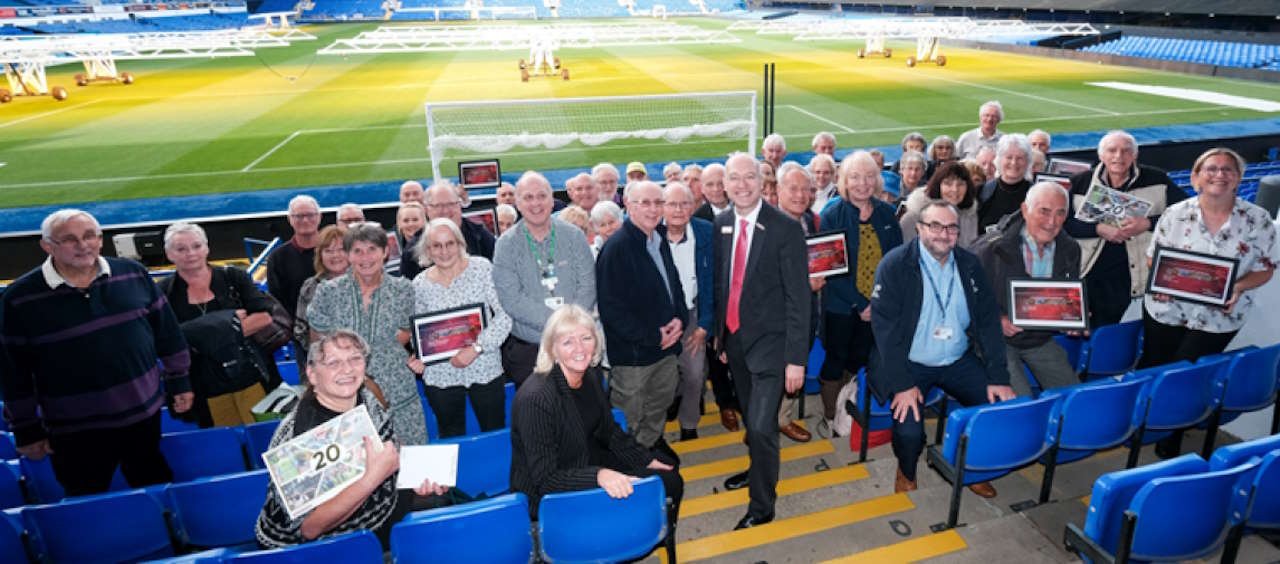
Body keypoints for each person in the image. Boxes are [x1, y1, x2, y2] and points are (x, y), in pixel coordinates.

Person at [1, 209, 193, 496]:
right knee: (87, 498)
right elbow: (12, 372)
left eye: (90, 236)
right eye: (70, 239)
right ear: (47, 246)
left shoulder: (133, 274)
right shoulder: (18, 299)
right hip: (73, 431)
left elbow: (167, 334)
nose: (83, 245)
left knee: (156, 486)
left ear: (101, 239)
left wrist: (179, 381)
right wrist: (27, 429)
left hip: (143, 418)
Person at [869, 202, 1015, 497]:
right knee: (910, 433)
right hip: (910, 362)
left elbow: (988, 321)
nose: (943, 234)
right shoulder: (895, 265)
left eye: (951, 227)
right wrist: (902, 384)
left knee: (995, 410)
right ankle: (906, 470)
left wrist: (999, 376)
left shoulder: (970, 263)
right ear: (920, 228)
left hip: (956, 358)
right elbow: (885, 333)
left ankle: (971, 467)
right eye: (935, 226)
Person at [1139, 148, 1278, 457]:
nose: (1219, 174)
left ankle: (1170, 438)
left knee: (1186, 376)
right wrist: (1161, 283)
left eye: (1228, 169)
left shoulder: (1258, 219)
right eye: (1211, 168)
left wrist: (1239, 287)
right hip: (1166, 309)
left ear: (1239, 178)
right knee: (1156, 368)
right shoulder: (1175, 213)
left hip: (1220, 316)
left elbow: (1266, 268)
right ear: (1195, 177)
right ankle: (1153, 424)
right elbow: (1154, 258)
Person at [255, 330, 450, 550]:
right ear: (311, 374)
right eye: (333, 362)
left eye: (355, 359)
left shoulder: (364, 395)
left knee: (445, 506)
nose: (347, 369)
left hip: (380, 505)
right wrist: (375, 476)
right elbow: (310, 529)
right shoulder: (296, 436)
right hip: (329, 545)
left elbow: (390, 444)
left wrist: (418, 475)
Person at [509, 305, 683, 530]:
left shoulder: (591, 374)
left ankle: (642, 532)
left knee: (668, 475)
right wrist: (599, 476)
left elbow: (609, 432)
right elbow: (545, 480)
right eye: (567, 342)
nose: (579, 348)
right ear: (552, 349)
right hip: (553, 491)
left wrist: (644, 458)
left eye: (586, 338)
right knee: (650, 486)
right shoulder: (536, 399)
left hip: (586, 458)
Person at [713, 153, 810, 530]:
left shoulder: (785, 229)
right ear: (725, 185)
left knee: (759, 426)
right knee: (755, 422)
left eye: (749, 177)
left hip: (773, 347)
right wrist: (721, 340)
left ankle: (762, 504)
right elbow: (723, 285)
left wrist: (796, 359)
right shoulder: (722, 224)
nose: (741, 184)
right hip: (736, 344)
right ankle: (757, 471)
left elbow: (799, 299)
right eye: (733, 178)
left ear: (762, 181)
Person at [307, 223, 428, 445]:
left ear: (385, 252)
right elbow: (317, 342)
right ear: (348, 255)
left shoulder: (403, 290)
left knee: (410, 457)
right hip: (346, 389)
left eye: (372, 249)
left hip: (397, 390)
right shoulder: (328, 292)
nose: (365, 257)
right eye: (357, 251)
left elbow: (407, 335)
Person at [816, 151, 904, 438]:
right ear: (844, 181)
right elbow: (831, 270)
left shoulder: (887, 214)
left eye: (869, 177)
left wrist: (878, 303)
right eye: (855, 177)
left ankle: (848, 408)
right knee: (836, 358)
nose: (862, 183)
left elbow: (896, 263)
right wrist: (859, 303)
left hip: (877, 307)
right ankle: (831, 415)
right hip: (842, 306)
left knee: (859, 358)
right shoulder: (832, 215)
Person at [159, 222, 280, 427]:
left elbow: (265, 318)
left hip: (251, 377)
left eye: (197, 246)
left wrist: (195, 333)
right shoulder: (163, 293)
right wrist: (230, 324)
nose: (191, 253)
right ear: (169, 254)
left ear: (207, 248)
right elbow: (165, 341)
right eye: (181, 249)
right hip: (205, 387)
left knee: (265, 436)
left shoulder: (233, 277)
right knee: (228, 446)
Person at [596, 180, 688, 452]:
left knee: (659, 405)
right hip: (635, 358)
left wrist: (680, 318)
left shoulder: (659, 239)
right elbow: (611, 310)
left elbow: (675, 285)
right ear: (628, 206)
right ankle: (629, 464)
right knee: (630, 416)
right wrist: (653, 336)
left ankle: (647, 450)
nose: (653, 209)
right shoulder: (616, 249)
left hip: (666, 351)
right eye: (644, 203)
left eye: (658, 202)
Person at [1065, 130, 1186, 328]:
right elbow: (1064, 224)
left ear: (1135, 155)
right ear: (1101, 155)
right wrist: (1098, 229)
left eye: (1126, 151)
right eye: (1112, 150)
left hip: (1133, 277)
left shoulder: (1157, 179)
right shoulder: (1079, 183)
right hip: (1088, 272)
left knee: (1117, 332)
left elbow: (1184, 216)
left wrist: (1148, 223)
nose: (1118, 156)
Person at [973, 182, 1082, 397]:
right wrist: (997, 320)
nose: (1052, 222)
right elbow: (964, 300)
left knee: (1074, 398)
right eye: (1044, 211)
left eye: (1060, 213)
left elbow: (1064, 298)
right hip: (994, 339)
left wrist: (1075, 317)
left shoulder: (1070, 249)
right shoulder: (988, 249)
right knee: (1021, 404)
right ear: (1025, 210)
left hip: (1037, 338)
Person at [409, 219, 513, 438]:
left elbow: (505, 315)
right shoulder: (419, 284)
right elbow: (420, 334)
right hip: (440, 375)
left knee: (494, 432)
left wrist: (477, 348)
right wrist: (418, 356)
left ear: (460, 244)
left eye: (450, 244)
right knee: (450, 435)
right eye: (436, 245)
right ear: (428, 249)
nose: (444, 251)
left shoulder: (482, 268)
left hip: (484, 367)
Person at [493, 171, 597, 386]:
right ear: (518, 204)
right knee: (541, 415)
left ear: (552, 200)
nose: (536, 203)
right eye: (528, 197)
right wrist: (560, 327)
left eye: (541, 196)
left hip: (577, 346)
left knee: (583, 413)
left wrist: (569, 331)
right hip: (530, 350)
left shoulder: (574, 236)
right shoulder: (506, 245)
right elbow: (511, 299)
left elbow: (588, 285)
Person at [773, 162, 825, 443]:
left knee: (796, 367)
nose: (800, 195)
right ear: (778, 190)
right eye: (793, 188)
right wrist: (806, 285)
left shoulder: (810, 221)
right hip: (776, 319)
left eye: (806, 189)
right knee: (775, 373)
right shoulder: (766, 226)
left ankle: (783, 418)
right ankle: (765, 425)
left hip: (806, 313)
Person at [662, 182, 717, 442]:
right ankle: (672, 400)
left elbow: (715, 284)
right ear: (662, 207)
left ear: (693, 206)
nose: (678, 210)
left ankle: (689, 423)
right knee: (664, 374)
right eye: (672, 204)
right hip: (661, 317)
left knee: (695, 373)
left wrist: (706, 325)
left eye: (684, 203)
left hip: (695, 313)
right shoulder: (650, 235)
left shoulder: (707, 233)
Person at [402, 180, 496, 279]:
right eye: (438, 206)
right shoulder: (414, 248)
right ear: (427, 209)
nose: (445, 210)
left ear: (459, 205)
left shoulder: (480, 236)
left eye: (451, 204)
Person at [295, 226, 348, 371]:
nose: (335, 255)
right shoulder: (310, 287)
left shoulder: (366, 282)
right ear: (320, 255)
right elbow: (300, 330)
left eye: (341, 249)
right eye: (328, 251)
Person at [900, 161, 981, 249]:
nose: (955, 189)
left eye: (960, 184)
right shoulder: (913, 218)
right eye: (948, 184)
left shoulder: (969, 215)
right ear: (937, 186)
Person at [268, 195, 320, 321]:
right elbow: (277, 302)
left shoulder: (336, 252)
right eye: (299, 216)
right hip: (298, 329)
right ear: (290, 219)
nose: (305, 220)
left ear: (319, 217)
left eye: (310, 215)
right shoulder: (277, 258)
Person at [977, 133, 1033, 232]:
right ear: (999, 160)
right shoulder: (981, 192)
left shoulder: (1036, 195)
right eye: (1009, 157)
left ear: (1028, 161)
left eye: (1020, 158)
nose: (1014, 163)